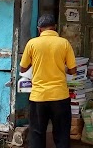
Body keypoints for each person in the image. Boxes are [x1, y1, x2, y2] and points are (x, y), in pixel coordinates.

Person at [20, 14, 76, 148]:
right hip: (60, 97)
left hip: (38, 97)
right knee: (62, 135)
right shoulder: (64, 43)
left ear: (39, 29)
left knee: (37, 134)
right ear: (55, 28)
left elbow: (22, 68)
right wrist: (63, 69)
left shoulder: (32, 43)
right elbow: (73, 70)